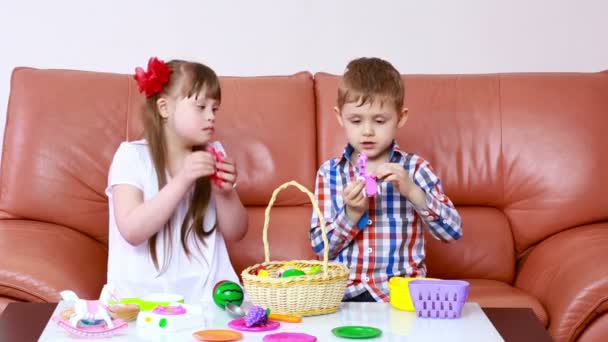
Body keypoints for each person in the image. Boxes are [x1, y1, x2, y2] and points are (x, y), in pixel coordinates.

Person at [310, 57, 462, 302]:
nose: (367, 131)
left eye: (380, 121)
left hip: (400, 295)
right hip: (344, 295)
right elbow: (320, 247)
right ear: (340, 117)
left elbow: (452, 232)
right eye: (356, 120)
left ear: (400, 118)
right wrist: (350, 214)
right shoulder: (330, 173)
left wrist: (414, 193)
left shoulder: (416, 169)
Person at [106, 57, 247, 303]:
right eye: (201, 107)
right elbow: (131, 230)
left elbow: (237, 232)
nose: (211, 116)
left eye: (215, 109)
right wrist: (182, 180)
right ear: (164, 108)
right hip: (142, 299)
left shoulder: (214, 153)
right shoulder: (132, 156)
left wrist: (226, 194)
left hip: (207, 294)